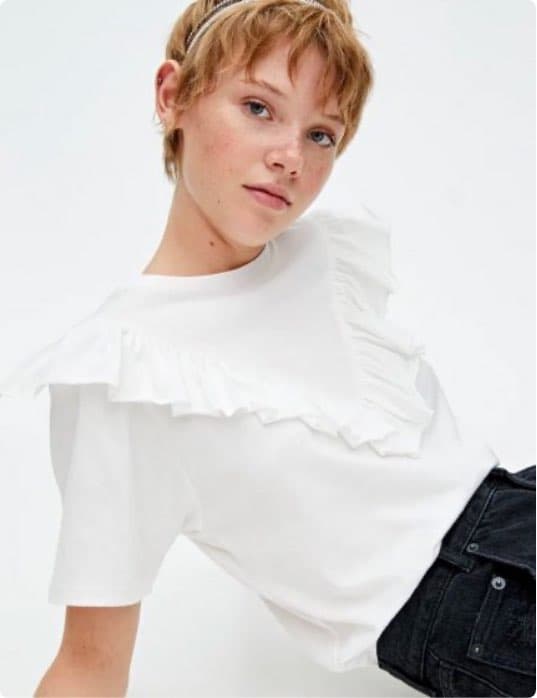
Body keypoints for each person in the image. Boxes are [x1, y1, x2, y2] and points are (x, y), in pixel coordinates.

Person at [0, 0, 534, 696]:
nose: (290, 158)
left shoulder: (323, 251)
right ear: (172, 96)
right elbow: (89, 665)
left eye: (320, 134)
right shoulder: (121, 374)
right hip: (479, 618)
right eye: (258, 108)